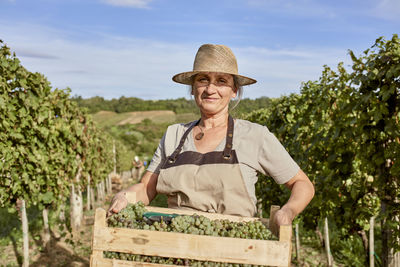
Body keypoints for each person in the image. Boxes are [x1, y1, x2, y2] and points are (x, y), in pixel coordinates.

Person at [108, 44, 314, 229]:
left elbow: (302, 184)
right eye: (203, 79)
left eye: (221, 81)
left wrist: (288, 211)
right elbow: (146, 187)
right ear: (193, 88)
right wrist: (125, 197)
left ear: (234, 90)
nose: (210, 89)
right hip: (175, 245)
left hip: (236, 249)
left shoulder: (255, 136)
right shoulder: (174, 134)